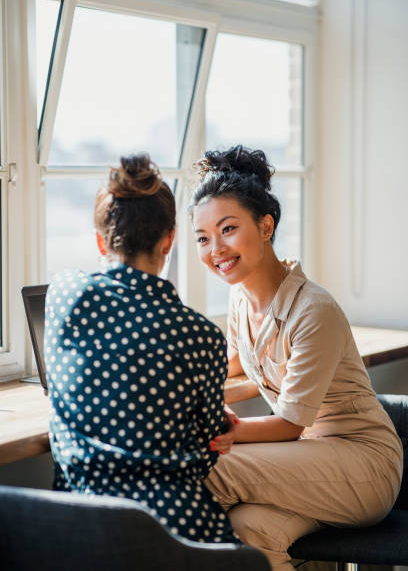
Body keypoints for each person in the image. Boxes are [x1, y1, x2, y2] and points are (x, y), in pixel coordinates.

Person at [190, 145, 403, 570]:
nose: (216, 248)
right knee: (250, 531)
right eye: (202, 237)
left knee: (209, 467)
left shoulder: (313, 310)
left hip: (363, 466)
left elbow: (289, 425)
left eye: (228, 229)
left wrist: (223, 428)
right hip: (308, 464)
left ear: (266, 226)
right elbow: (232, 361)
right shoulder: (239, 298)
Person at [44, 153, 241, 545]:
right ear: (170, 239)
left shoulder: (64, 294)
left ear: (101, 241)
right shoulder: (200, 336)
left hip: (75, 532)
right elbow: (205, 452)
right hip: (176, 536)